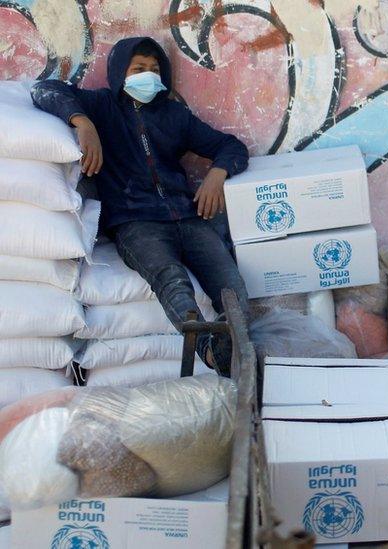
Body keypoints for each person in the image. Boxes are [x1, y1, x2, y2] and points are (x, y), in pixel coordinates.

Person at [31, 37, 250, 373]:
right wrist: (83, 123)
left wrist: (217, 174)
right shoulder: (102, 106)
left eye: (154, 69)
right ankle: (207, 347)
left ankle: (239, 349)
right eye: (138, 69)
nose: (148, 75)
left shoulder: (175, 115)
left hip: (189, 217)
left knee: (229, 282)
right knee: (171, 278)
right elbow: (45, 90)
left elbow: (230, 145)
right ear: (121, 72)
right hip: (136, 223)